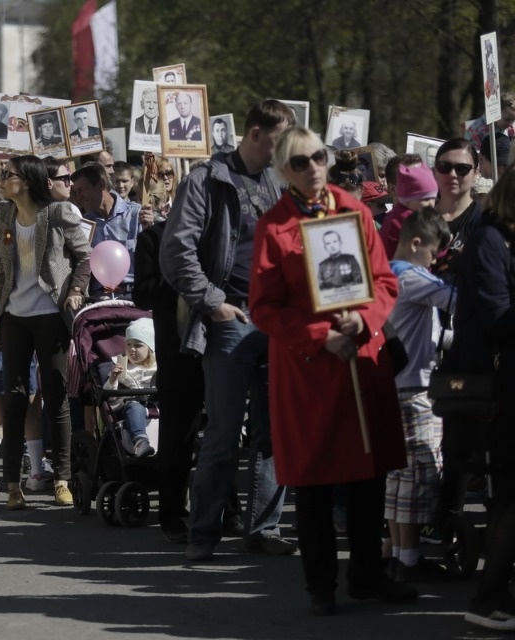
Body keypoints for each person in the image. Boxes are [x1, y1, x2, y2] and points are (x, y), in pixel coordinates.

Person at [250, 127, 416, 615]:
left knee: (369, 476)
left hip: (361, 362)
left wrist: (363, 320)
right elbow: (264, 307)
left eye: (318, 157)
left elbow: (384, 280)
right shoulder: (273, 227)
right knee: (316, 483)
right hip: (309, 369)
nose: (313, 168)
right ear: (284, 170)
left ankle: (367, 574)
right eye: (300, 162)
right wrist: (323, 336)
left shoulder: (354, 209)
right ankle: (320, 583)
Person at [160, 100, 297, 562]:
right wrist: (214, 304)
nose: (284, 151)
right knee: (222, 433)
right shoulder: (207, 178)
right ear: (255, 134)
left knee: (273, 430)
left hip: (275, 322)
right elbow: (177, 251)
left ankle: (265, 527)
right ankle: (204, 533)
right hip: (231, 321)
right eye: (278, 141)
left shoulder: (282, 184)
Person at [0, 155, 91, 510]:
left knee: (56, 396)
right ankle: (13, 484)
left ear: (29, 181)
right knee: (14, 400)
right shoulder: (4, 214)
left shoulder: (58, 213)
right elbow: (2, 271)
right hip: (14, 316)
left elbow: (86, 257)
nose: (3, 179)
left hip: (51, 314)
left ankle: (62, 478)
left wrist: (77, 290)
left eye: (9, 175)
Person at [439, 168, 515, 630]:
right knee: (510, 498)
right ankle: (488, 599)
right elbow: (497, 316)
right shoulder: (490, 240)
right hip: (501, 390)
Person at [385, 207, 454, 583]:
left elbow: (424, 331)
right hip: (415, 389)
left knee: (398, 478)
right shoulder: (413, 277)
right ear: (416, 244)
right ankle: (408, 560)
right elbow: (456, 300)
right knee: (418, 475)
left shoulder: (389, 275)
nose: (435, 262)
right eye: (434, 253)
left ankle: (398, 554)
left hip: (398, 384)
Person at [70, 162, 143, 294]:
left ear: (101, 185)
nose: (78, 198)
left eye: (81, 190)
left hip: (133, 297)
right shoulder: (84, 224)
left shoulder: (137, 216)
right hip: (99, 300)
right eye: (75, 192)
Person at [102, 317, 157, 457]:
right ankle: (141, 442)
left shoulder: (157, 367)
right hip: (129, 408)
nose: (132, 349)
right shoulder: (120, 367)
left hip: (154, 405)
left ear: (150, 348)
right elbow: (111, 399)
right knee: (134, 406)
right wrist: (113, 379)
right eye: (128, 344)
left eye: (138, 345)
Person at [432, 138, 482, 282]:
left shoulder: (485, 219)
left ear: (476, 173)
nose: (452, 174)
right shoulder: (418, 219)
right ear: (435, 170)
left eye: (462, 168)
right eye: (444, 166)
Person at [380, 161, 439, 258]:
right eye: (425, 199)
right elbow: (430, 246)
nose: (431, 203)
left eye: (433, 198)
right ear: (407, 198)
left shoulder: (398, 213)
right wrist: (445, 246)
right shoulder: (407, 219)